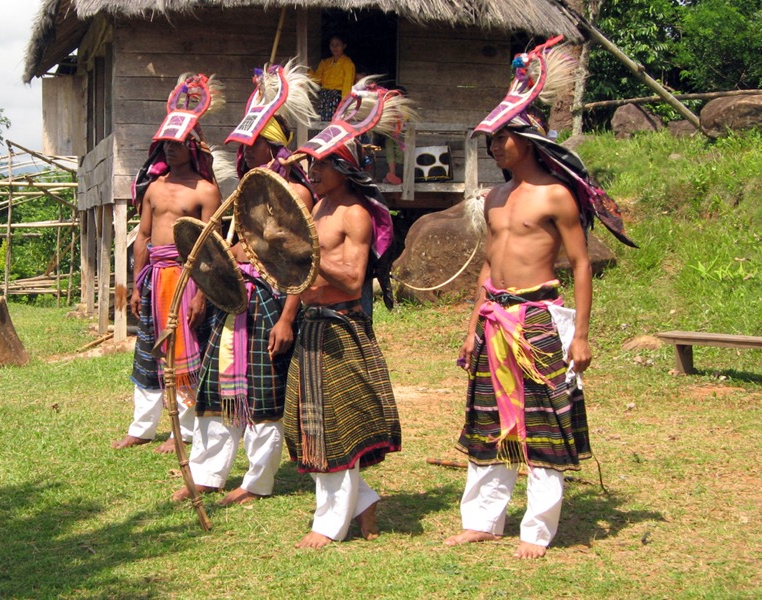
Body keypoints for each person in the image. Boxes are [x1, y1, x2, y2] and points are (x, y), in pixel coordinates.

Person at [443, 38, 636, 558]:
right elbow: (488, 264)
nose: (494, 148)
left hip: (538, 320)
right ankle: (482, 521)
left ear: (525, 138)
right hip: (493, 320)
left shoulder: (555, 195)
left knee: (544, 422)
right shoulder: (496, 197)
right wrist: (470, 329)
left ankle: (536, 530)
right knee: (488, 423)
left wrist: (583, 335)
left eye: (502, 139)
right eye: (490, 142)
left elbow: (579, 263)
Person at [172, 61, 318, 505]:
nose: (246, 152)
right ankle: (207, 474)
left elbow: (301, 264)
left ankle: (257, 482)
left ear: (272, 146)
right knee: (216, 388)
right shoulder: (244, 192)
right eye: (245, 146)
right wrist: (202, 286)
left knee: (261, 391)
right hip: (237, 299)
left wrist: (288, 318)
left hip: (272, 301)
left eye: (254, 145)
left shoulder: (297, 193)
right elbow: (233, 246)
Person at [284, 81, 414, 548]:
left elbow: (354, 279)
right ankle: (362, 501)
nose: (312, 171)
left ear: (342, 165)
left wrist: (306, 254)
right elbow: (302, 270)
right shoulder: (318, 206)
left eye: (319, 162)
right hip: (312, 325)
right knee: (311, 421)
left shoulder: (354, 213)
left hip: (341, 326)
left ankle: (329, 525)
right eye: (312, 163)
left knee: (336, 425)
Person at [112, 74, 224, 454]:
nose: (169, 151)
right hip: (155, 277)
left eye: (176, 145)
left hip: (188, 278)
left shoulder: (206, 191)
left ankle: (188, 430)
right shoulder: (154, 188)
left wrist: (202, 295)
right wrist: (134, 285)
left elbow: (213, 246)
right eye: (165, 145)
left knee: (188, 352)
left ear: (192, 147)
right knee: (149, 351)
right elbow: (143, 236)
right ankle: (142, 427)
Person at [313, 34, 355, 121]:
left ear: (344, 46)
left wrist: (344, 105)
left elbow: (347, 85)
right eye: (332, 45)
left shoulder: (347, 63)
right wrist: (307, 71)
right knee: (323, 123)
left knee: (335, 123)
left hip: (337, 99)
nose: (334, 47)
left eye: (337, 45)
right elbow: (317, 79)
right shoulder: (325, 62)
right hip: (325, 99)